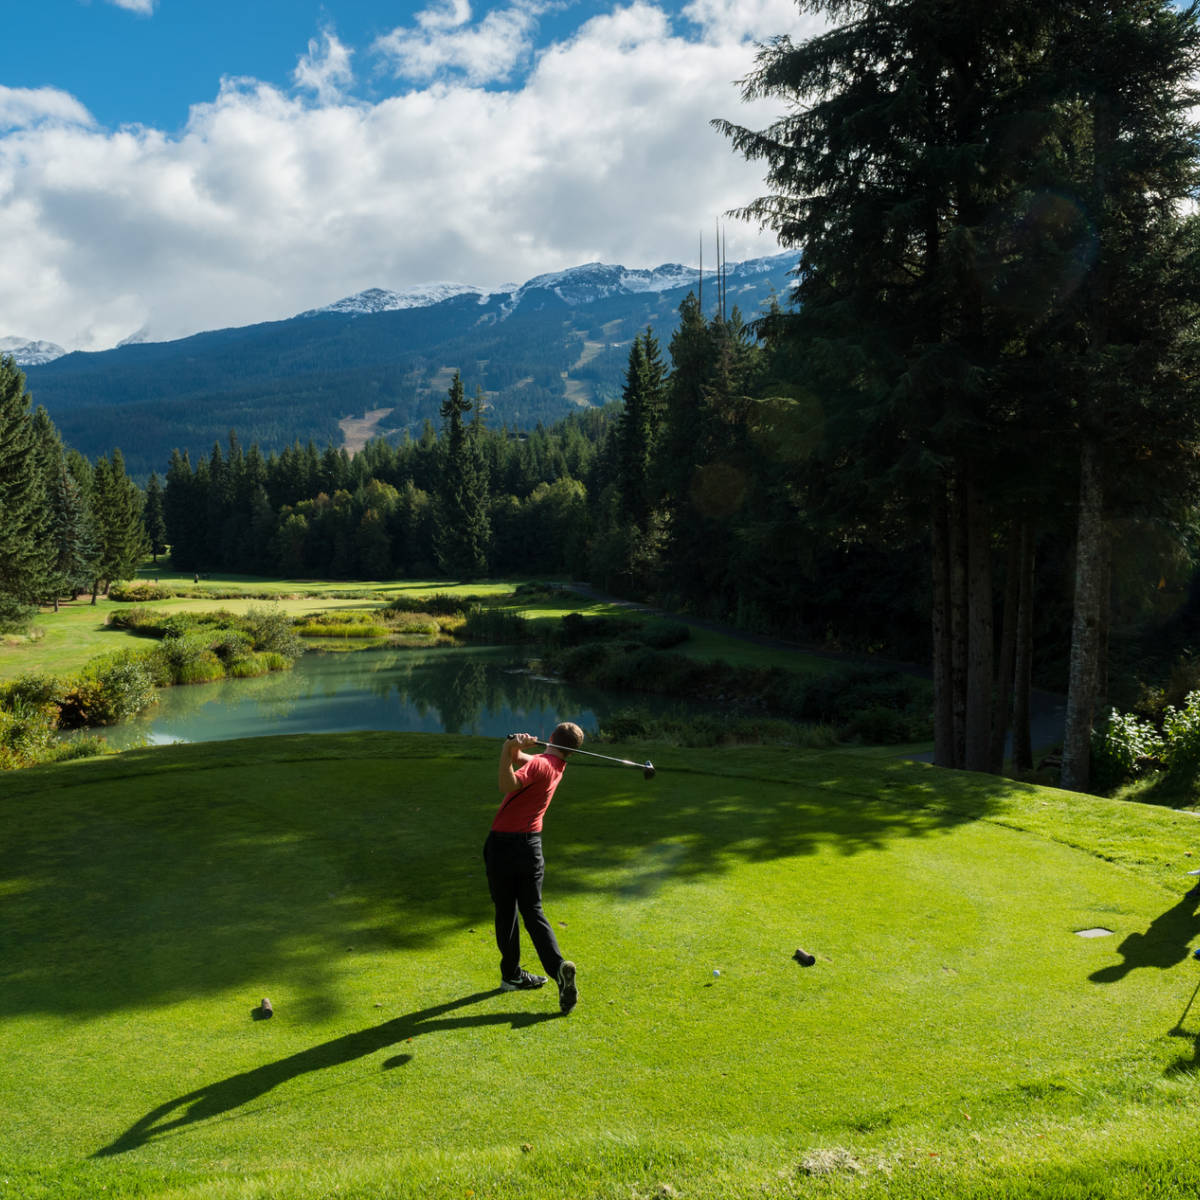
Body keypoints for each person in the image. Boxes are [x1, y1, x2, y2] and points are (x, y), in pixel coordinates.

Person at [483, 723, 584, 1014]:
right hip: (531, 848)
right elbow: (524, 762)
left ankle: (511, 974)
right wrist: (517, 748)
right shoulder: (555, 765)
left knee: (506, 910)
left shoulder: (542, 763)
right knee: (533, 911)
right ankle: (557, 968)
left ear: (551, 738)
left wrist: (506, 750)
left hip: (504, 846)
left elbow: (507, 783)